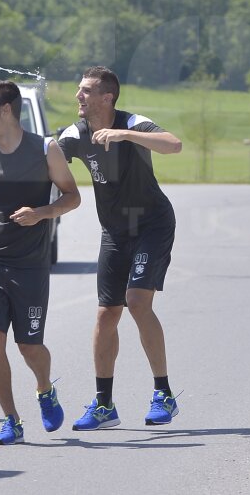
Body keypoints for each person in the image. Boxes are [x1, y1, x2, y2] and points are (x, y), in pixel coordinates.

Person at [58, 66, 184, 430]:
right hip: (115, 230)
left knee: (137, 301)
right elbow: (48, 159)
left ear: (106, 97)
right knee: (105, 315)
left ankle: (163, 394)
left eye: (85, 91)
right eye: (79, 90)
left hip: (152, 224)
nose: (78, 97)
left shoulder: (134, 122)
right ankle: (104, 405)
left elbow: (173, 145)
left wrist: (125, 134)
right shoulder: (76, 132)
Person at [0, 80, 81, 445]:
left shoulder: (45, 149)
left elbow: (72, 197)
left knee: (29, 346)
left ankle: (44, 388)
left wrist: (42, 213)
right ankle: (11, 419)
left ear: (5, 109)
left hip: (30, 263)